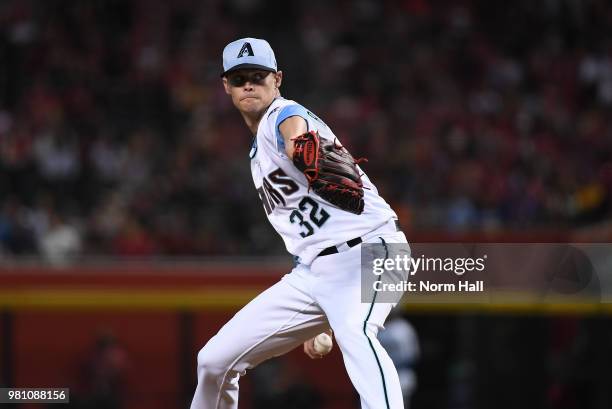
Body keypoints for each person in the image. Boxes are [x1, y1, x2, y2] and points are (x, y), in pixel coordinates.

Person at [190, 37, 410, 409]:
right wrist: (321, 317)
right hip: (313, 273)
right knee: (213, 362)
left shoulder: (283, 115)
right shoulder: (257, 151)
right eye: (239, 77)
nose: (249, 85)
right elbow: (310, 237)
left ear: (277, 79)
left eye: (258, 76)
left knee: (357, 333)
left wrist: (300, 145)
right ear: (226, 86)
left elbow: (295, 130)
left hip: (372, 251)